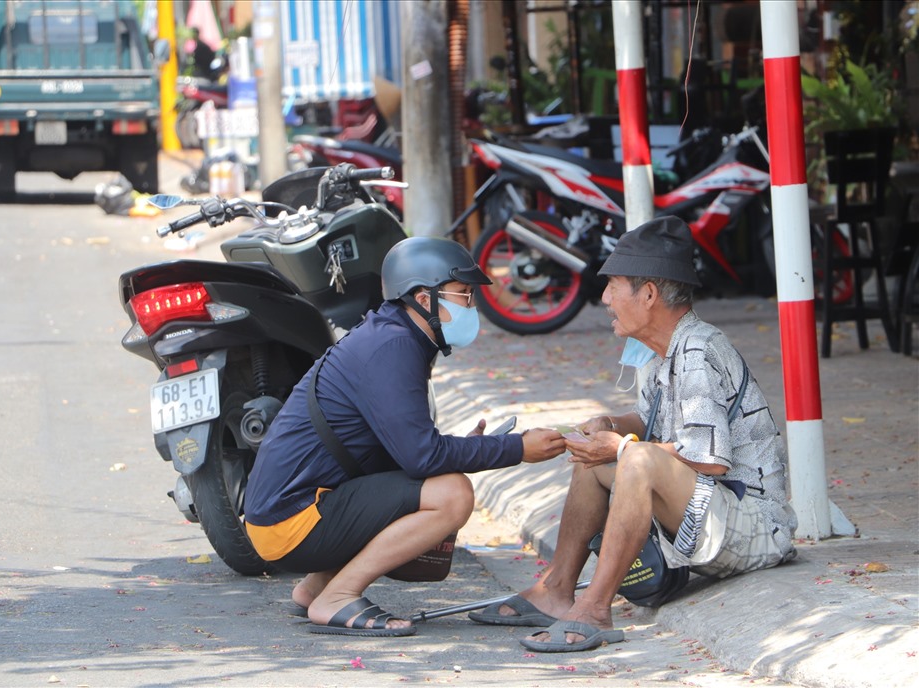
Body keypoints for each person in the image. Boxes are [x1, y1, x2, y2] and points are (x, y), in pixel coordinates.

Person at [469, 216, 798, 652]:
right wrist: (611, 426)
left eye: (613, 286)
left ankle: (595, 608)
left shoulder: (699, 349)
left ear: (648, 294)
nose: (604, 299)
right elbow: (652, 421)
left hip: (755, 528)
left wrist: (624, 447)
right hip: (712, 514)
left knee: (635, 459)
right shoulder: (667, 350)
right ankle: (556, 590)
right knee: (598, 459)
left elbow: (708, 459)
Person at [244, 237, 567, 638]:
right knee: (451, 494)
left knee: (437, 481)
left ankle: (315, 589)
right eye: (463, 295)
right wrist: (517, 448)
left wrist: (465, 447)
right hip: (290, 521)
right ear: (424, 298)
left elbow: (402, 450)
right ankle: (338, 596)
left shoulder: (395, 336)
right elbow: (422, 459)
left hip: (283, 512)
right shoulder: (393, 347)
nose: (471, 307)